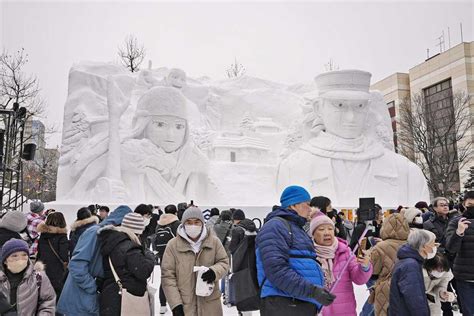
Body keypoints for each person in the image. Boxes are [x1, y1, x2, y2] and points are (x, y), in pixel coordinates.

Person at [277, 70, 429, 207]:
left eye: (360, 106)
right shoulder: (293, 168)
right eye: (340, 105)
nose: (351, 117)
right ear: (318, 107)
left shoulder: (405, 171)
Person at [256, 185, 335, 316]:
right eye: (307, 204)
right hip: (283, 304)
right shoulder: (275, 226)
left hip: (299, 302)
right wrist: (312, 291)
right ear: (293, 205)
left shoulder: (296, 228)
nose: (310, 209)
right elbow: (276, 270)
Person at [57, 205, 132, 316]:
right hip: (79, 300)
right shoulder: (94, 233)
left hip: (88, 300)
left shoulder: (109, 236)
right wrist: (92, 286)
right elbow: (77, 265)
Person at [161, 206, 229, 316]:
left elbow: (224, 262)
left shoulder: (214, 242)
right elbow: (168, 277)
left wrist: (214, 271)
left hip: (210, 306)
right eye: (189, 222)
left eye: (197, 222)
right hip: (185, 307)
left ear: (202, 223)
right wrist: (176, 305)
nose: (193, 225)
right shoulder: (173, 245)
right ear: (183, 224)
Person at [309, 212, 372, 316]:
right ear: (313, 233)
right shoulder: (308, 254)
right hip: (318, 310)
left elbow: (359, 279)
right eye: (321, 229)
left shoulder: (345, 252)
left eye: (330, 229)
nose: (327, 233)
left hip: (344, 310)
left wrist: (364, 267)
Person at [98, 213, 155, 315]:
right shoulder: (129, 248)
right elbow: (143, 271)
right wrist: (149, 255)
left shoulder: (113, 241)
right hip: (125, 300)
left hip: (111, 296)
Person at [0, 239, 56, 315]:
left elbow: (48, 302)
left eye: (24, 255)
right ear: (5, 260)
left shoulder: (38, 277)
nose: (20, 259)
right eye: (14, 256)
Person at [389, 229, 437, 316]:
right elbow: (414, 298)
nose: (435, 246)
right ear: (423, 246)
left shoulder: (410, 261)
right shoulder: (410, 266)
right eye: (433, 243)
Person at [370, 213, 410, 316]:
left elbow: (374, 271)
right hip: (408, 286)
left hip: (385, 289)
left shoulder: (379, 247)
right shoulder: (412, 245)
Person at [445, 190, 474, 315]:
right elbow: (451, 248)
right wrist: (459, 232)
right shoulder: (456, 222)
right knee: (468, 311)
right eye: (470, 205)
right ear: (464, 204)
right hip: (465, 276)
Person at [36, 212, 69, 302]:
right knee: (56, 292)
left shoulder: (43, 235)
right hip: (56, 269)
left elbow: (39, 251)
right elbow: (64, 255)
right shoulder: (62, 236)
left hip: (42, 266)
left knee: (42, 290)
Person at [155, 204, 181, 314]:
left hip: (162, 255)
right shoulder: (177, 223)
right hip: (176, 255)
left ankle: (162, 304)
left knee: (165, 279)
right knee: (179, 279)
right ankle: (177, 304)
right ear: (176, 212)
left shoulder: (159, 224)